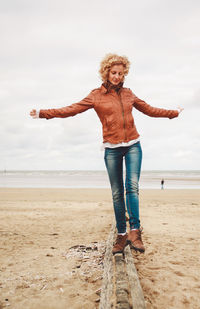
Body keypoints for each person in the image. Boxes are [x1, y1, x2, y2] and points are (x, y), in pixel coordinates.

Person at [30, 53, 183, 254]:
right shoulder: (96, 95)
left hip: (133, 146)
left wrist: (174, 113)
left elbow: (149, 109)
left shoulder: (129, 94)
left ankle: (135, 232)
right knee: (117, 193)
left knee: (132, 187)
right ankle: (121, 235)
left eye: (121, 73)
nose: (117, 76)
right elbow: (72, 109)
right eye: (113, 72)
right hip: (111, 148)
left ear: (124, 73)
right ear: (106, 72)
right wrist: (43, 113)